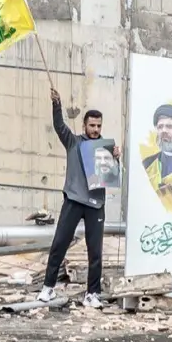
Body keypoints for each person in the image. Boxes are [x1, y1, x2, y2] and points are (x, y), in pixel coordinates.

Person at [40, 87, 121, 307]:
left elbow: (112, 176)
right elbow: (59, 126)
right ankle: (48, 288)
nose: (95, 129)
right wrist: (56, 104)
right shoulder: (73, 142)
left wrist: (116, 158)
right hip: (74, 201)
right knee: (59, 244)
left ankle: (92, 294)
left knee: (95, 252)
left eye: (98, 126)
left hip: (96, 205)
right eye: (92, 125)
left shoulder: (106, 149)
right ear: (84, 125)